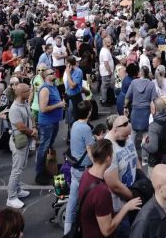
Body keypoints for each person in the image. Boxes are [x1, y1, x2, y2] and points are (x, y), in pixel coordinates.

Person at [77, 138, 142, 238]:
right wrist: (126, 207)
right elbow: (106, 230)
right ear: (108, 158)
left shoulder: (86, 174)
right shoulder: (102, 192)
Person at [64, 100, 94, 234]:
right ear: (89, 112)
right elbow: (90, 150)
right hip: (84, 168)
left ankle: (67, 231)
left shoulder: (75, 124)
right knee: (89, 199)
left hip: (75, 166)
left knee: (73, 200)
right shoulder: (86, 128)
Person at [7, 81, 35, 210]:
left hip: (26, 140)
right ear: (22, 93)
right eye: (28, 90)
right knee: (16, 169)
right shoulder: (14, 109)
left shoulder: (24, 104)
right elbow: (21, 127)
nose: (30, 92)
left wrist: (34, 128)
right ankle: (11, 197)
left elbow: (30, 117)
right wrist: (33, 133)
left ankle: (17, 190)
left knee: (21, 166)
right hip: (19, 140)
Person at [35, 66, 65, 184]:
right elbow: (43, 108)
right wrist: (58, 105)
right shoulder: (45, 89)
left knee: (48, 147)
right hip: (47, 124)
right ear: (45, 77)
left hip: (54, 122)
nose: (54, 74)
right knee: (43, 147)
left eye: (54, 72)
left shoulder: (54, 86)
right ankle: (40, 173)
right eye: (51, 73)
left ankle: (48, 168)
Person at [125, 66, 158, 154]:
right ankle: (145, 158)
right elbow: (153, 101)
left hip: (135, 112)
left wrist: (125, 107)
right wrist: (154, 114)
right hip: (146, 113)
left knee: (132, 135)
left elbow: (127, 97)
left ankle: (131, 155)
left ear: (140, 73)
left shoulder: (134, 82)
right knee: (145, 136)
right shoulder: (151, 84)